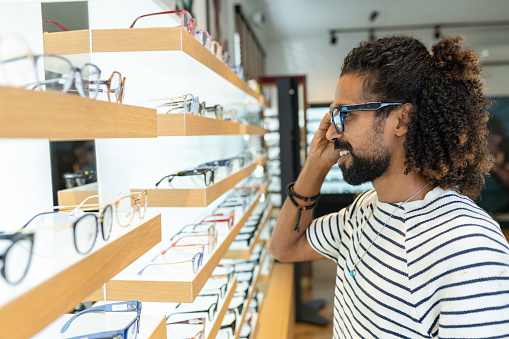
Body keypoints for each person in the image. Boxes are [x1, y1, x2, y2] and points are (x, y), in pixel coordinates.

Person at [269, 35, 509, 338]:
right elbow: (283, 248)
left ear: (401, 120)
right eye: (333, 116)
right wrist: (315, 165)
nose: (332, 132)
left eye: (346, 114)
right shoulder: (364, 209)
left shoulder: (469, 245)